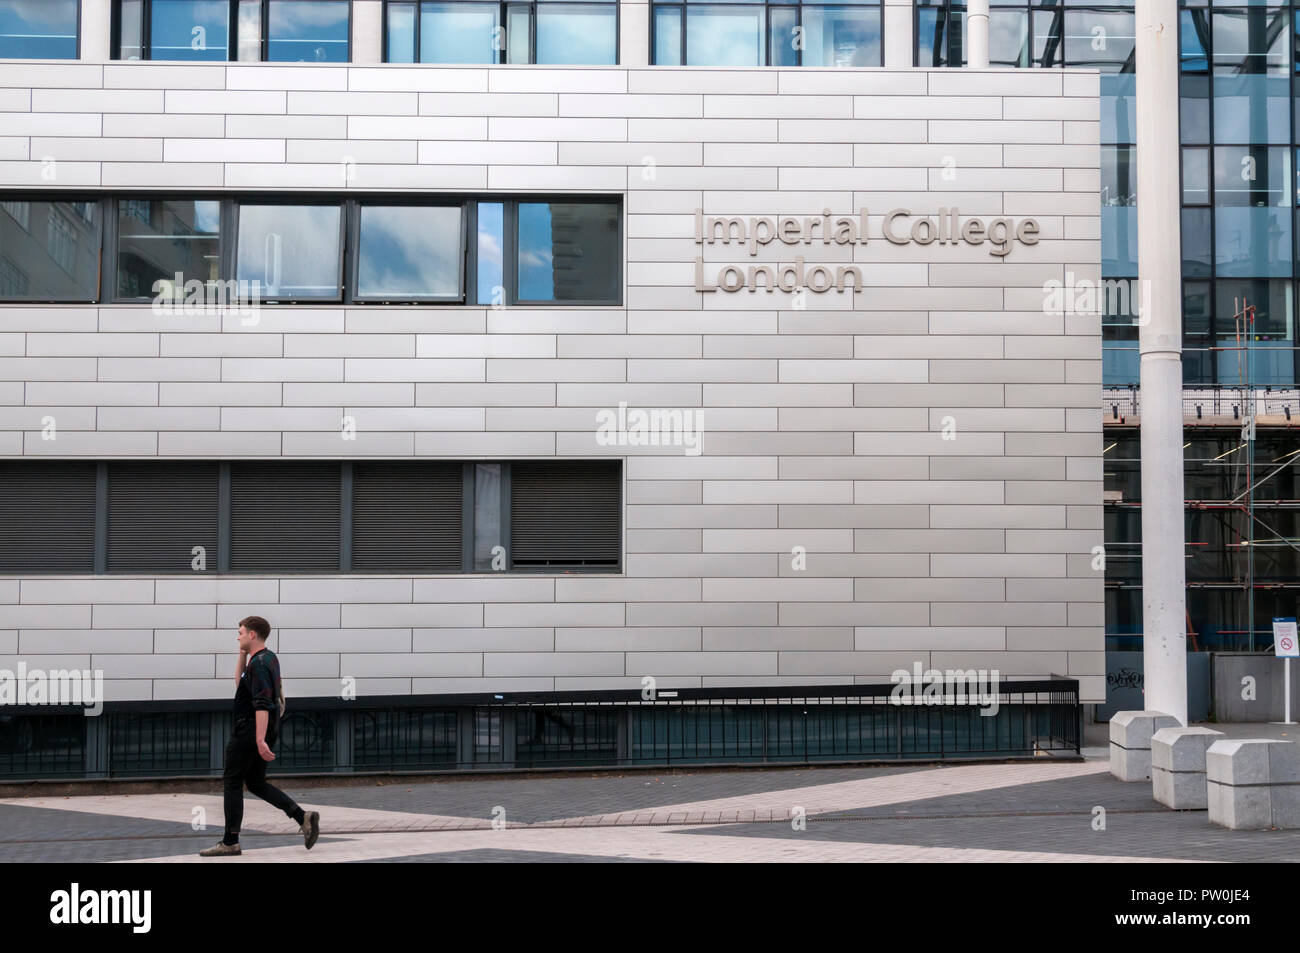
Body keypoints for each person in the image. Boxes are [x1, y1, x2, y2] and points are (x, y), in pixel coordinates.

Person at [200, 615, 320, 856]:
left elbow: (262, 704)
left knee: (233, 781)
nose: (238, 636)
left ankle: (230, 841)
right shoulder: (266, 658)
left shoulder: (260, 664)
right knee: (255, 782)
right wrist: (242, 653)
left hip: (248, 730)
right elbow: (240, 684)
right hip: (260, 729)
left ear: (252, 635)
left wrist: (259, 739)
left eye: (241, 633)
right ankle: (302, 817)